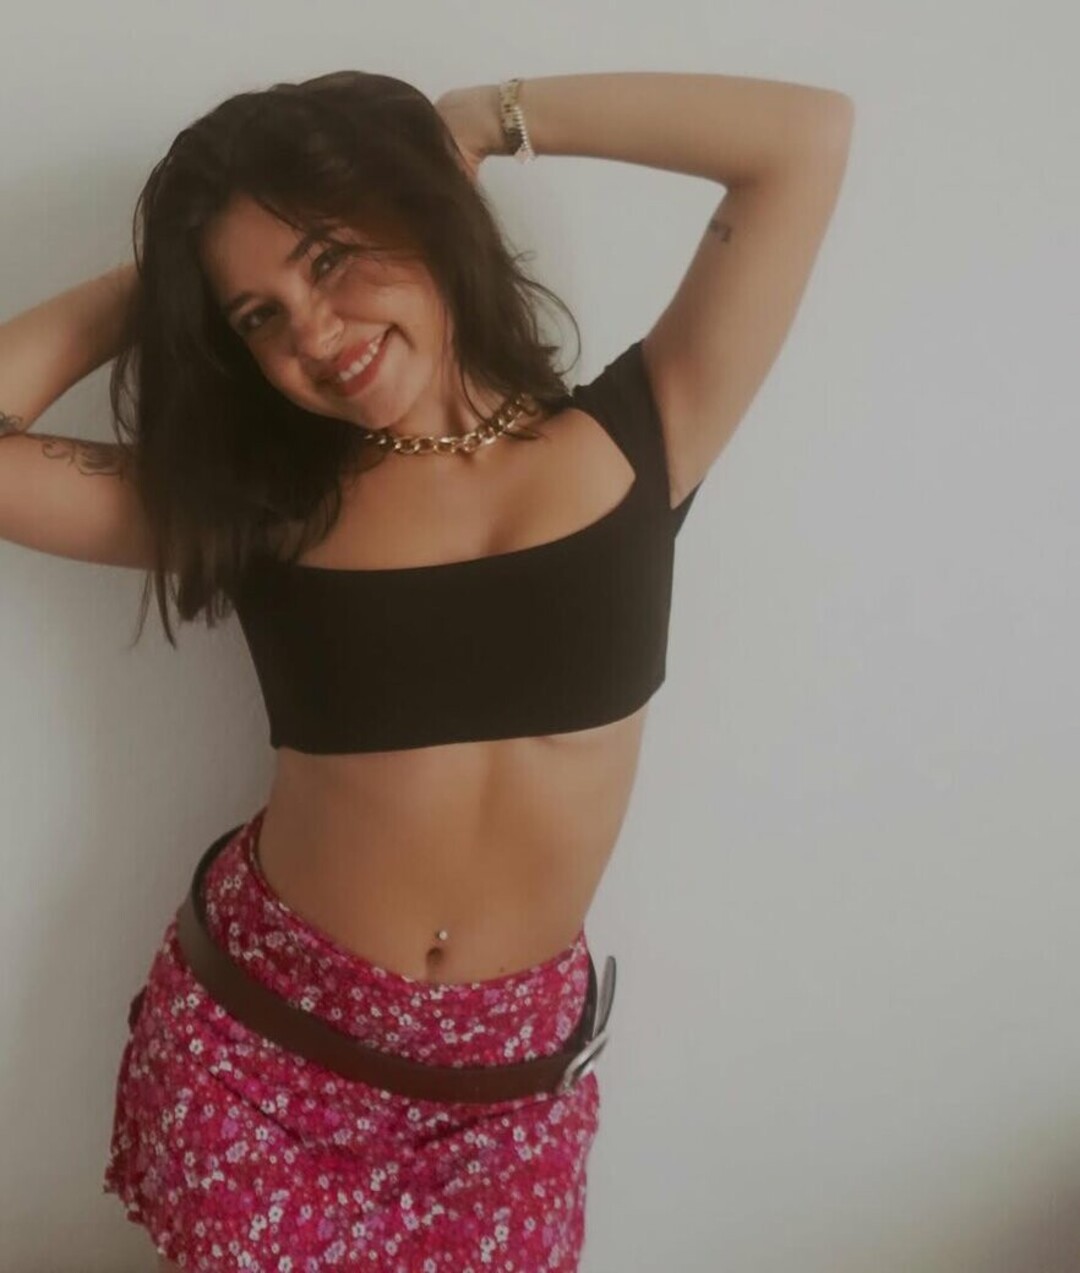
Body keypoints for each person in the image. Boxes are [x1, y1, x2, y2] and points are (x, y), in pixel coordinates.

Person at [0, 69, 853, 1271]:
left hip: (504, 1106)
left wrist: (485, 120)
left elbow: (803, 140)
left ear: (421, 209)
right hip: (260, 1069)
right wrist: (167, 287)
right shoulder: (261, 509)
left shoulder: (642, 435)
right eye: (258, 316)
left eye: (330, 257)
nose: (314, 333)